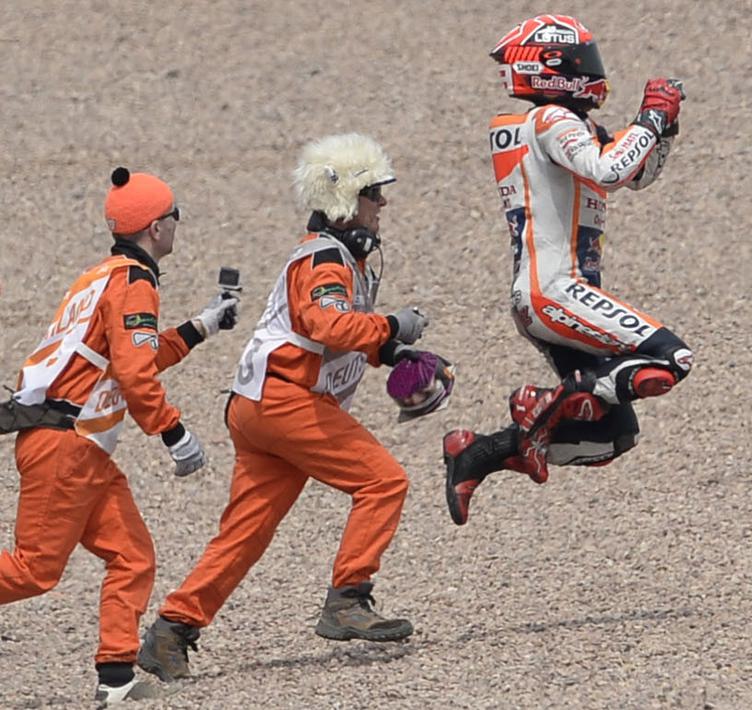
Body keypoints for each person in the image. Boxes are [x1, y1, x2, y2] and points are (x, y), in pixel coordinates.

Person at [137, 134, 431, 682]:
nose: (382, 203)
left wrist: (393, 352)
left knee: (245, 532)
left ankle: (171, 631)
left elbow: (331, 334)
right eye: (373, 193)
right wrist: (395, 325)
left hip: (257, 405)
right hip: (286, 401)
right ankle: (349, 598)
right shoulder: (325, 259)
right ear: (346, 201)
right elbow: (328, 324)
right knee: (383, 482)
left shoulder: (330, 255)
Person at [442, 14, 694, 525]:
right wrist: (649, 118)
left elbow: (636, 174)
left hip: (546, 295)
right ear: (554, 67)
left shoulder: (554, 127)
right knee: (672, 358)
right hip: (556, 290)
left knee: (611, 435)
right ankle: (549, 401)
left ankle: (478, 453)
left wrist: (663, 128)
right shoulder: (549, 120)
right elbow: (611, 169)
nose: (595, 71)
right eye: (585, 61)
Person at [0, 167, 239, 705]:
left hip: (80, 447)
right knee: (35, 570)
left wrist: (201, 326)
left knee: (132, 556)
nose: (177, 224)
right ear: (156, 227)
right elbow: (134, 375)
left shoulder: (102, 276)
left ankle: (115, 678)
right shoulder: (135, 284)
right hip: (67, 446)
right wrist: (173, 433)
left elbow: (132, 358)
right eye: (175, 215)